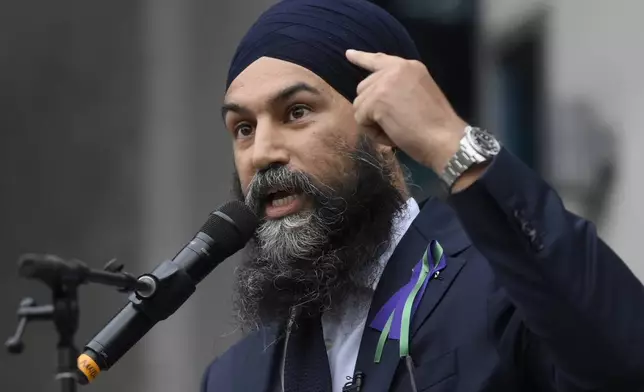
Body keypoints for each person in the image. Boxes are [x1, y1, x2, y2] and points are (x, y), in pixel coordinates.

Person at [202, 0, 644, 391]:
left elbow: (623, 358)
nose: (261, 152)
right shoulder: (235, 377)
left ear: (382, 125)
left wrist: (449, 141)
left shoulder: (502, 289)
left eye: (296, 112)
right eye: (244, 128)